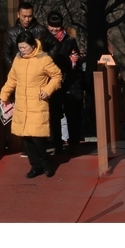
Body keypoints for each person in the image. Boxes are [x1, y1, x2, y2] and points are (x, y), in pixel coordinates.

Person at [0, 33, 62, 178]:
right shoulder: (18, 59)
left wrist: (47, 90)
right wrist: (4, 95)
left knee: (37, 137)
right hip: (22, 104)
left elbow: (57, 76)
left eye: (24, 47)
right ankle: (35, 165)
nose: (22, 50)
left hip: (37, 103)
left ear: (32, 45)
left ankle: (45, 162)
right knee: (27, 138)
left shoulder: (44, 59)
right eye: (20, 47)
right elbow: (12, 79)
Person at [45, 11, 87, 153]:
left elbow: (76, 56)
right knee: (55, 115)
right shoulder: (43, 39)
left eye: (57, 27)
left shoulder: (69, 40)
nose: (54, 30)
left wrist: (74, 60)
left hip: (69, 80)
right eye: (52, 27)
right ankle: (57, 143)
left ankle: (73, 142)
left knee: (72, 114)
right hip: (51, 81)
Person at [1, 3, 40, 76]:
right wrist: (15, 67)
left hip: (36, 72)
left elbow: (55, 45)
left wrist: (44, 59)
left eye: (30, 16)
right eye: (24, 16)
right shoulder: (11, 32)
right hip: (18, 73)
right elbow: (6, 53)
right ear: (18, 15)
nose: (27, 20)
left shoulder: (41, 30)